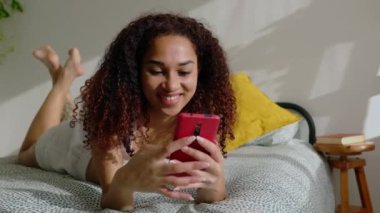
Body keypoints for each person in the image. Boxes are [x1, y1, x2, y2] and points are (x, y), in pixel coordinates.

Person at [17, 13, 236, 210]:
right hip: (74, 144)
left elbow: (212, 197)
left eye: (184, 71)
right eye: (156, 71)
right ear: (135, 72)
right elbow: (112, 199)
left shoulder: (200, 124)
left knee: (70, 116)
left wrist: (215, 184)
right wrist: (125, 181)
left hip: (96, 133)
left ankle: (63, 80)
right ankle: (63, 81)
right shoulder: (111, 124)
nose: (171, 85)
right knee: (26, 152)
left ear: (200, 71)